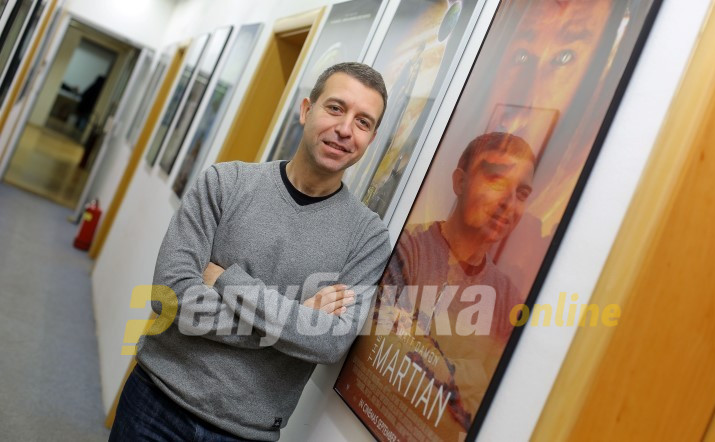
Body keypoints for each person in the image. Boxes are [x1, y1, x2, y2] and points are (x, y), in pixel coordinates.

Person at [110, 63, 391, 441]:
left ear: (371, 139)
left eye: (363, 122)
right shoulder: (224, 183)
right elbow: (169, 296)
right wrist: (295, 320)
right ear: (306, 110)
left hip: (248, 433)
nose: (345, 129)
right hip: (156, 402)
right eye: (336, 108)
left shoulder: (369, 238)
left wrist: (227, 280)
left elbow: (329, 342)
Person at [372, 132, 534, 432]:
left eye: (522, 193)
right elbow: (387, 354)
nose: (509, 203)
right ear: (460, 182)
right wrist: (469, 373)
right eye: (497, 181)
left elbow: (492, 396)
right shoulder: (409, 249)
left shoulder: (508, 298)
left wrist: (435, 360)